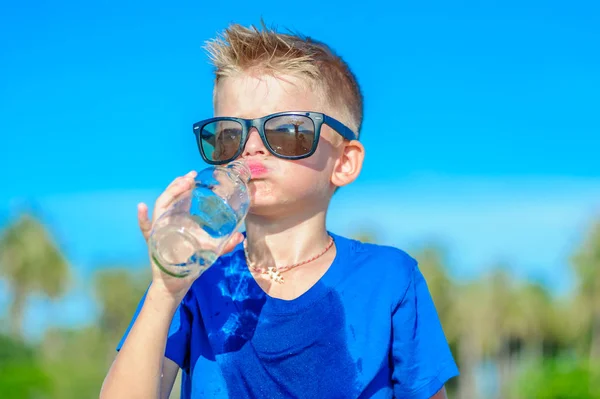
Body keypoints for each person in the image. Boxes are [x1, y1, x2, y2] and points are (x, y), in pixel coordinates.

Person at [100, 22, 459, 399]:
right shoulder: (195, 278)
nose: (250, 147)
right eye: (228, 135)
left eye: (287, 131)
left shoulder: (389, 278)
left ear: (344, 162)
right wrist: (164, 290)